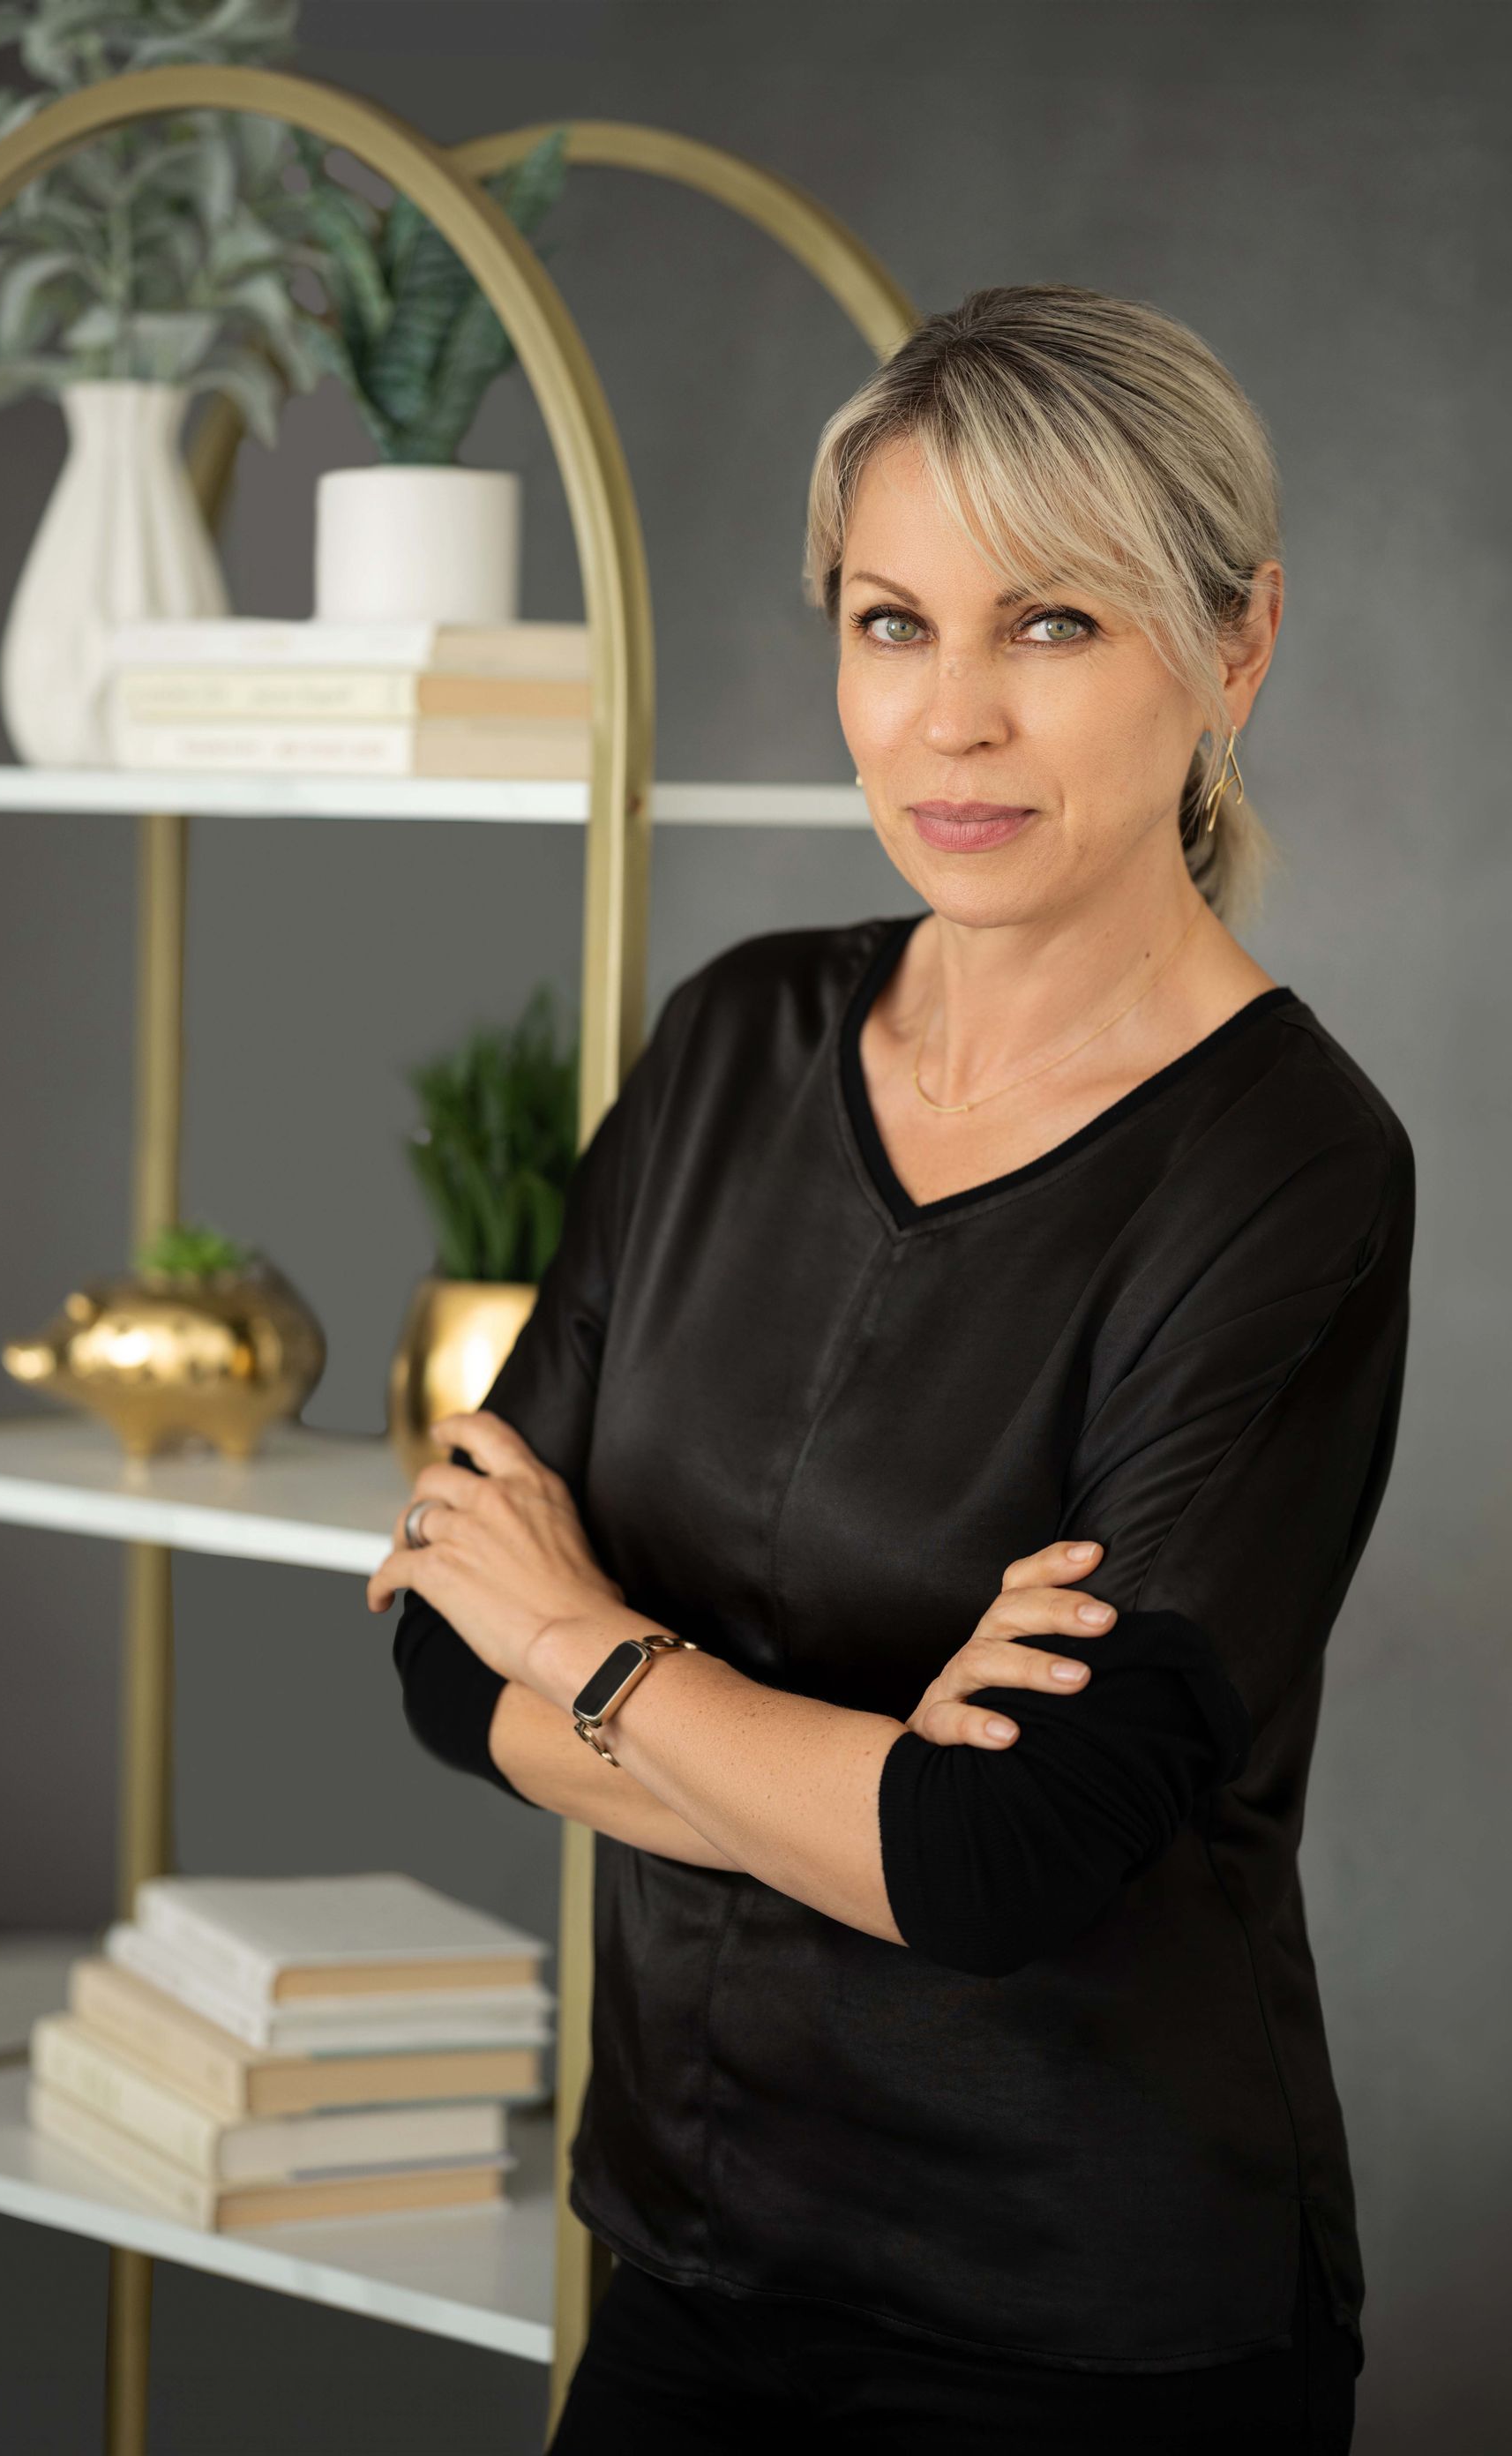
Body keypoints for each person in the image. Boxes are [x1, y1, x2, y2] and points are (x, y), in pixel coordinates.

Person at [370, 285, 1412, 2454]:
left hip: (1087, 2330)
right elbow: (436, 1667)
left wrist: (595, 1643)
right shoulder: (738, 1033)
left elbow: (1002, 1856)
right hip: (689, 2251)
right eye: (888, 622)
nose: (950, 723)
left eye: (1052, 628)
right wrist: (845, 1774)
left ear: (1235, 647)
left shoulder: (1290, 1165)